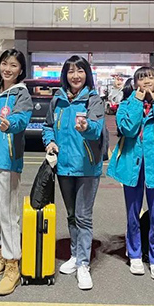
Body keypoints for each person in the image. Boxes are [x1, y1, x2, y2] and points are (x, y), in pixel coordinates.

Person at [107, 67, 154, 280]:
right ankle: (135, 254)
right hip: (132, 167)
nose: (146, 81)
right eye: (141, 78)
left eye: (150, 77)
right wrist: (138, 101)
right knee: (133, 214)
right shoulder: (126, 105)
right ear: (135, 83)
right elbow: (128, 129)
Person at [42, 55, 105, 290]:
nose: (75, 76)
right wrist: (50, 141)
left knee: (83, 217)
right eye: (71, 71)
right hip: (64, 167)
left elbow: (96, 129)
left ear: (86, 74)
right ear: (65, 75)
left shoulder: (93, 100)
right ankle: (75, 254)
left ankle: (83, 265)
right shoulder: (57, 100)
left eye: (80, 71)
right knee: (71, 215)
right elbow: (48, 126)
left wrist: (86, 127)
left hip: (87, 167)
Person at [0, 49, 33, 296]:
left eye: (13, 65)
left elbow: (22, 119)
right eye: (4, 63)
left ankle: (13, 264)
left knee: (9, 213)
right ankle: (2, 250)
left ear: (21, 70)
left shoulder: (21, 94)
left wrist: (10, 124)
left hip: (8, 159)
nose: (8, 69)